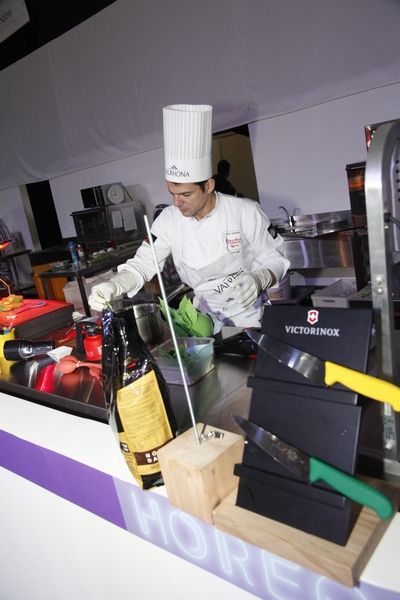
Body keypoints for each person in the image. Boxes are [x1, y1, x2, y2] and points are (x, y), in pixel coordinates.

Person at [89, 104, 290, 332]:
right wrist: (114, 285)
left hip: (251, 316)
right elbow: (144, 264)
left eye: (185, 194)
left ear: (208, 185)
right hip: (202, 321)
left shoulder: (244, 212)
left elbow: (276, 258)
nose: (177, 203)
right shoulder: (168, 220)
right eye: (172, 194)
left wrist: (259, 279)